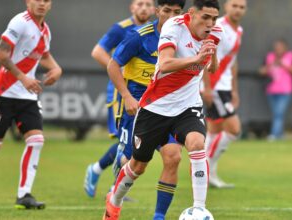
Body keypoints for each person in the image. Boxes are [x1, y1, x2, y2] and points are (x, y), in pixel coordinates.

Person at [103, 0, 223, 219]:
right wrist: (197, 58)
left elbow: (211, 68)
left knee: (194, 145)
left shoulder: (215, 31)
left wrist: (210, 53)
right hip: (155, 107)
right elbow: (166, 64)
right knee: (137, 166)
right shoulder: (173, 27)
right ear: (192, 13)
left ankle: (198, 209)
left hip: (188, 106)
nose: (210, 23)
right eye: (205, 17)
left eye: (214, 18)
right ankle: (114, 201)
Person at [0, 0, 62, 209]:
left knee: (36, 140)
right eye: (37, 0)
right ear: (28, 2)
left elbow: (43, 55)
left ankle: (24, 195)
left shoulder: (46, 31)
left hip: (27, 97)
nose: (41, 4)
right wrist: (23, 77)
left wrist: (56, 69)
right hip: (4, 92)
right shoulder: (20, 22)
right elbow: (0, 54)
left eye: (46, 0)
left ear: (50, 4)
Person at [107, 0, 185, 219]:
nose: (171, 16)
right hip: (137, 108)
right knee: (133, 164)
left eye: (177, 12)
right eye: (167, 11)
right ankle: (115, 197)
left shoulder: (184, 37)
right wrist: (127, 96)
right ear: (157, 10)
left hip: (166, 108)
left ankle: (159, 216)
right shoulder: (139, 36)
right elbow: (112, 65)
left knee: (173, 156)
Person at [84, 0, 155, 198]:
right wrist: (120, 69)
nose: (144, 7)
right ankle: (104, 178)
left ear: (154, 9)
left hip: (144, 94)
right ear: (132, 7)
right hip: (120, 91)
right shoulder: (122, 29)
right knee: (125, 139)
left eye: (148, 4)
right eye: (140, 3)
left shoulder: (156, 31)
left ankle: (104, 177)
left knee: (133, 140)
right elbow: (98, 51)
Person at [201, 0, 246, 188]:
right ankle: (205, 169)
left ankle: (207, 174)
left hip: (225, 87)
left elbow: (232, 61)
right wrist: (207, 87)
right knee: (234, 129)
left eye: (242, 7)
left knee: (215, 131)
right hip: (215, 86)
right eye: (234, 5)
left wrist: (234, 90)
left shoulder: (239, 30)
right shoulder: (218, 26)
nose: (238, 10)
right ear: (226, 6)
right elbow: (204, 55)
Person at [259, 39, 292, 140]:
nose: (278, 49)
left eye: (280, 47)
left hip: (286, 91)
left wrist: (283, 64)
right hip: (271, 90)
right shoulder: (269, 57)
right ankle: (280, 135)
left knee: (279, 113)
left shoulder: (291, 56)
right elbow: (261, 71)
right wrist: (271, 65)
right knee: (277, 114)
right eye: (276, 47)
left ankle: (274, 134)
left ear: (285, 48)